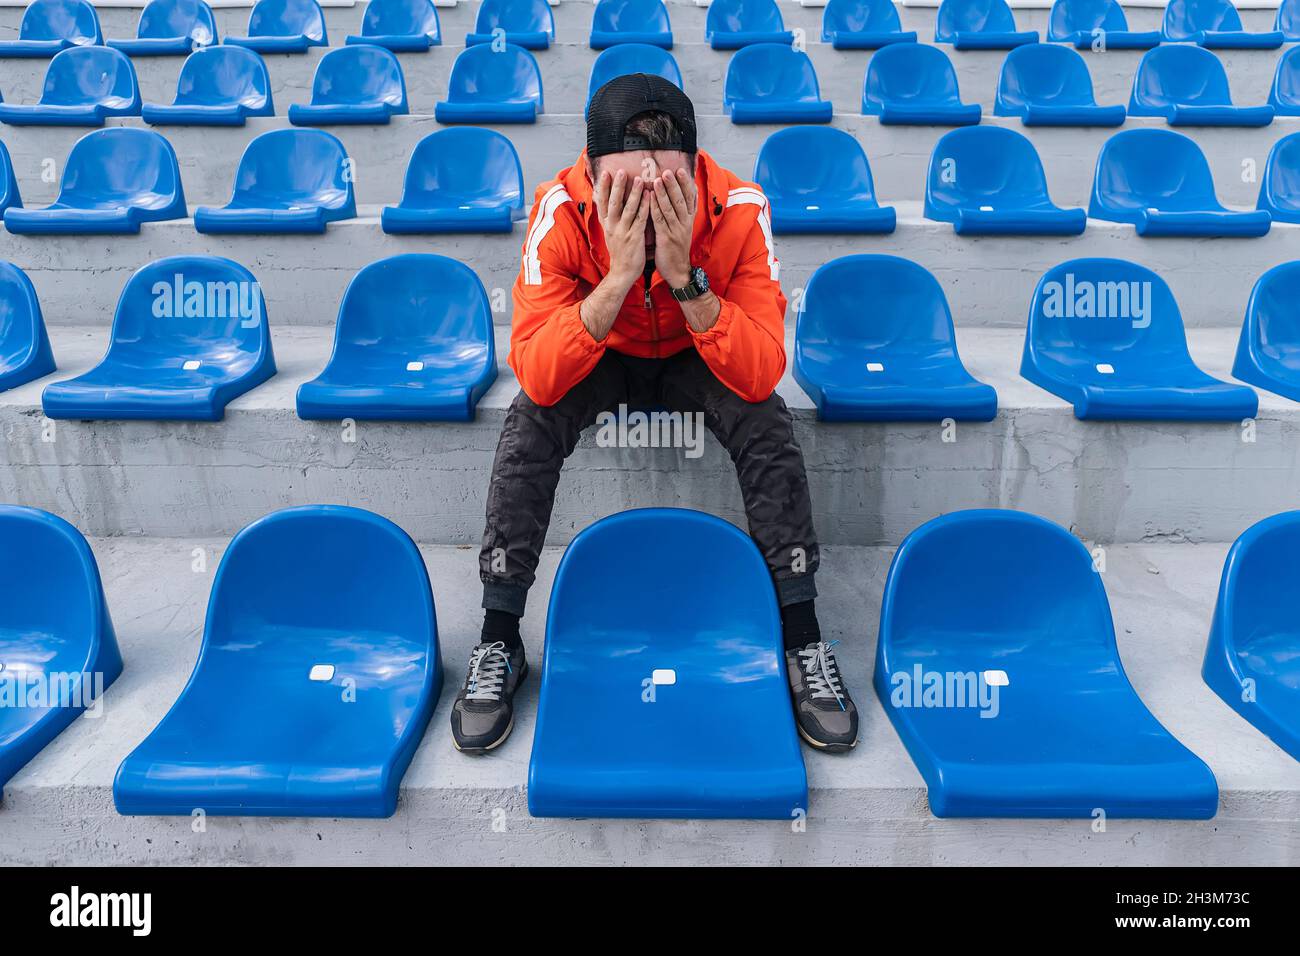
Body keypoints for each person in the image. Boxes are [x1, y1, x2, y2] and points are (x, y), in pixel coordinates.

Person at [450, 74, 858, 756]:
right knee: (528, 422)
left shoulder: (740, 207)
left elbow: (760, 370)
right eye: (623, 189)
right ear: (590, 171)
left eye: (667, 189)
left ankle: (801, 633)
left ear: (694, 171)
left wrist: (683, 277)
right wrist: (615, 279)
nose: (646, 205)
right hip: (603, 346)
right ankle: (499, 633)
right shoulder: (557, 210)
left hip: (698, 346)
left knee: (766, 421)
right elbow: (540, 375)